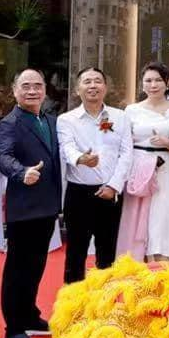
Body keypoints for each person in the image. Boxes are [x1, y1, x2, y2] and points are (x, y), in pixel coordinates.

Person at [0, 70, 61, 338]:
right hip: (23, 206)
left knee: (37, 264)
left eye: (37, 86)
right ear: (14, 90)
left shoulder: (50, 119)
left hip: (47, 205)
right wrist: (22, 173)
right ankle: (13, 329)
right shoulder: (9, 123)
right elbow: (4, 157)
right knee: (17, 268)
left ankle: (30, 315)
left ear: (45, 89)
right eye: (26, 86)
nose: (32, 91)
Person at [55, 67, 132, 287]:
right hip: (79, 193)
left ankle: (104, 300)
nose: (92, 86)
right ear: (77, 89)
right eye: (87, 82)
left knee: (107, 253)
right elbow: (66, 148)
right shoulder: (66, 120)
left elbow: (126, 154)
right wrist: (80, 159)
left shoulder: (120, 117)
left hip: (110, 193)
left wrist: (114, 186)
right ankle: (73, 301)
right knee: (75, 253)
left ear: (105, 87)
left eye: (97, 81)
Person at [123, 64, 169, 263]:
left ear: (167, 83)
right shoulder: (131, 110)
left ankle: (165, 264)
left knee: (163, 218)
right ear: (142, 84)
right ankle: (136, 264)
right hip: (138, 167)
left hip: (166, 167)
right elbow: (124, 144)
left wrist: (168, 143)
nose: (153, 85)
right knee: (137, 218)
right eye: (148, 80)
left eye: (158, 80)